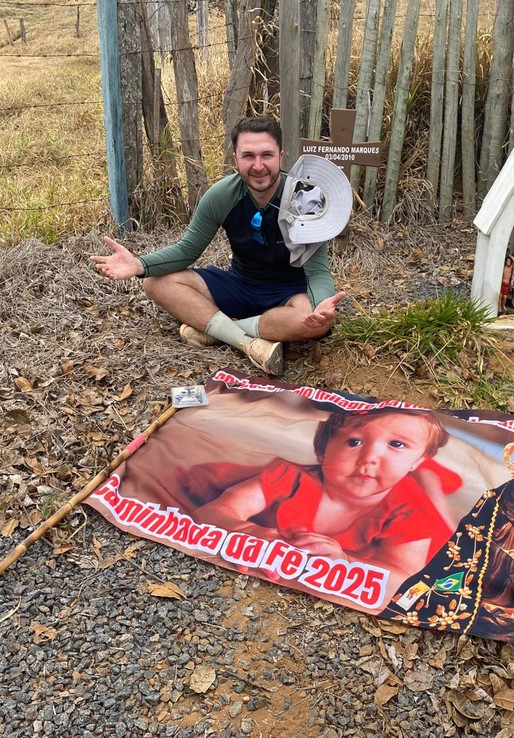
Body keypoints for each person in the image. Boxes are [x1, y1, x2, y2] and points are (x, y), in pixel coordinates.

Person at [90, 116, 346, 375]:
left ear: (281, 156)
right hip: (240, 283)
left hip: (288, 292)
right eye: (248, 156)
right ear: (235, 159)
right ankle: (245, 340)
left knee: (314, 323)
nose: (258, 166)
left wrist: (323, 305)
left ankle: (217, 330)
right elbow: (188, 250)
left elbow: (317, 271)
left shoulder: (305, 199)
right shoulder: (221, 196)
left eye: (267, 155)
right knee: (155, 283)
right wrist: (139, 264)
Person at [194, 407, 462, 605]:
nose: (369, 458)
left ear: (416, 461)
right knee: (200, 481)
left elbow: (406, 582)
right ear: (322, 449)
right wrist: (245, 530)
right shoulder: (290, 478)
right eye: (354, 441)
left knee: (452, 547)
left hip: (411, 510)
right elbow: (212, 512)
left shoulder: (410, 513)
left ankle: (430, 480)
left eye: (396, 444)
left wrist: (347, 563)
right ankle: (424, 472)